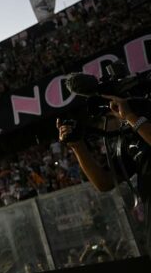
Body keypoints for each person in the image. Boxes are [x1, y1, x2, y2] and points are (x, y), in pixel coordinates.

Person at [57, 95, 151, 254]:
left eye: (110, 115)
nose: (108, 123)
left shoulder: (138, 124)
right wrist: (77, 146)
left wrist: (130, 117)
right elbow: (104, 182)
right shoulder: (131, 139)